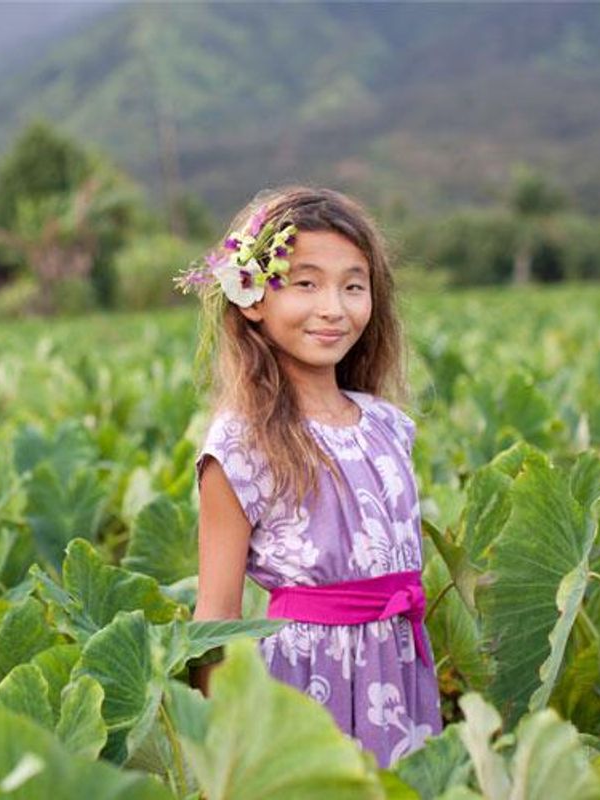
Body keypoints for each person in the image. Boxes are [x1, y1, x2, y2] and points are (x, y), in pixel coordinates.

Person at [174, 185, 442, 769]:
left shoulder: (389, 426)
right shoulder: (241, 444)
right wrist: (228, 752)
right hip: (305, 683)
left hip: (399, 674)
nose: (333, 308)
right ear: (250, 299)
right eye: (306, 283)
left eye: (353, 285)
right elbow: (216, 611)